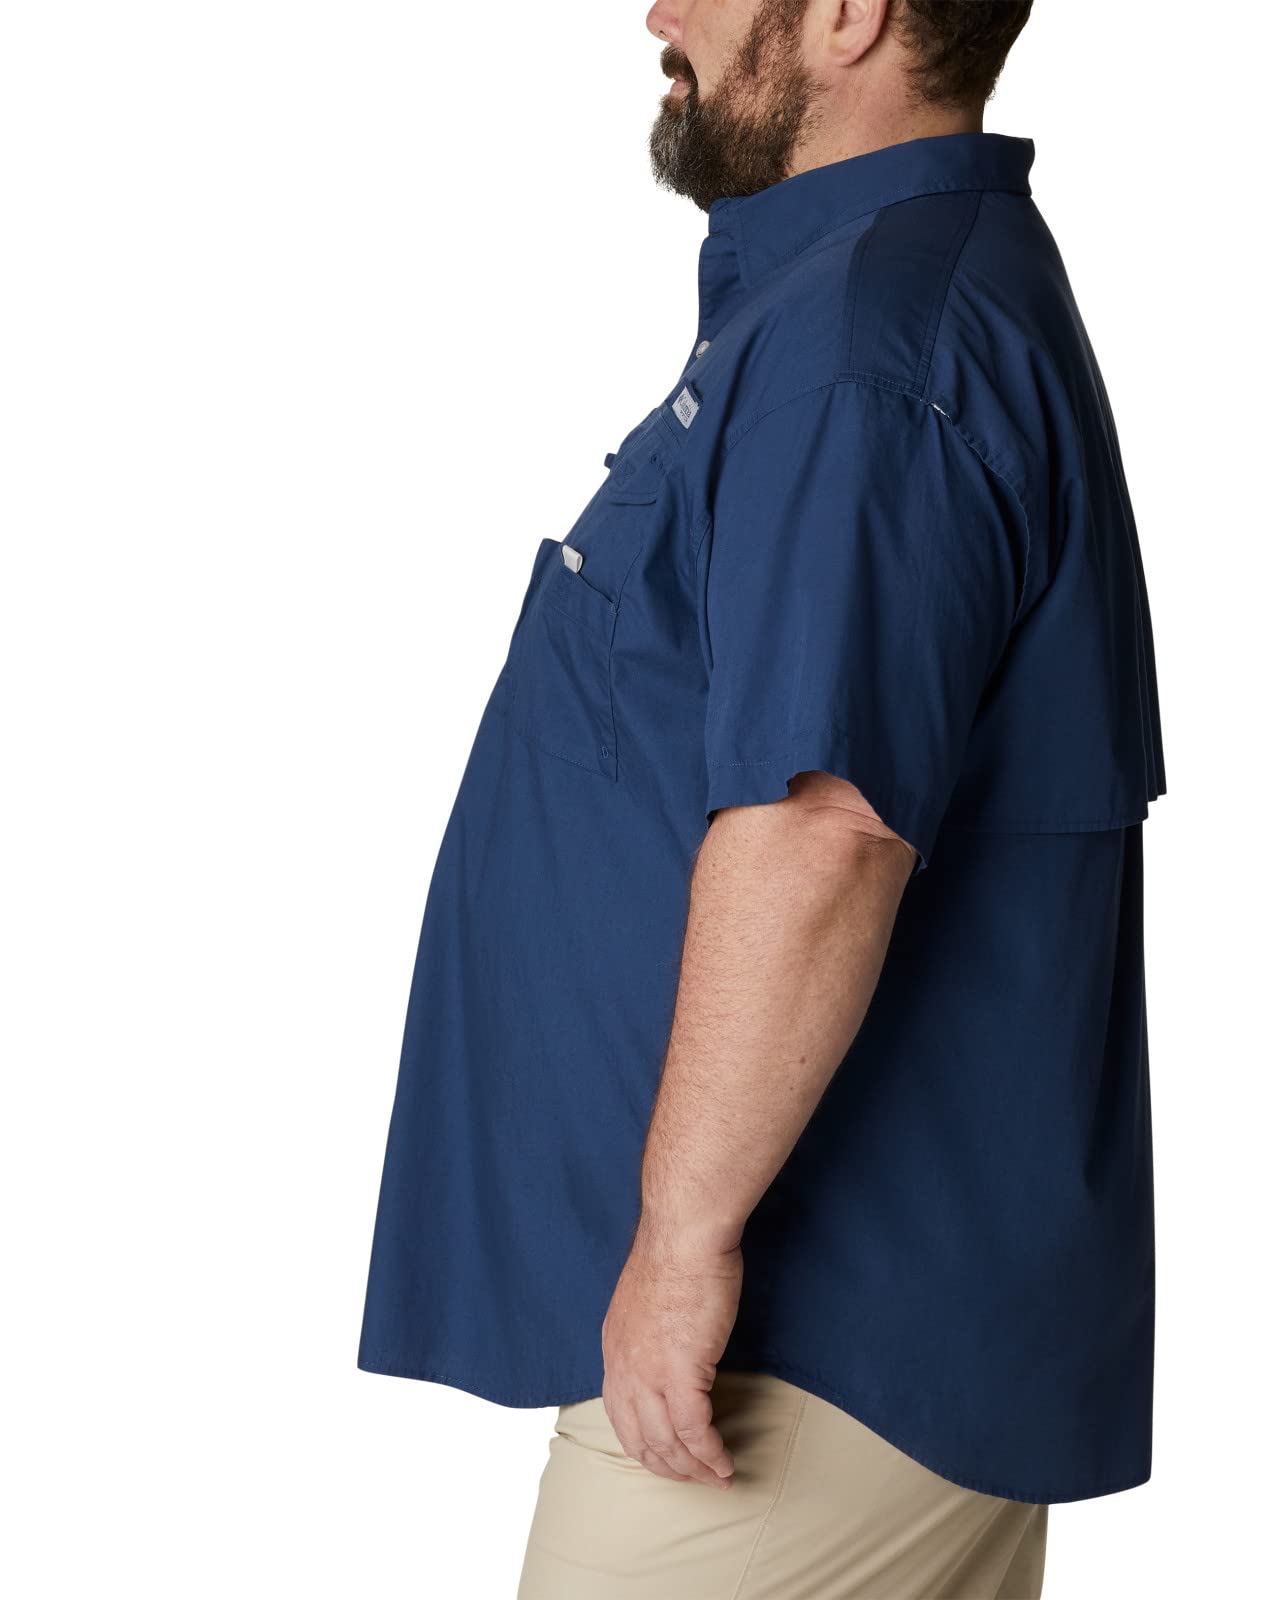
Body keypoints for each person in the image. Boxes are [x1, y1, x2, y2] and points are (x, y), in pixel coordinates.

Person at [358, 2, 1165, 1594]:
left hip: (797, 1366)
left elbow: (822, 823)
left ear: (852, 12)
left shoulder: (872, 349)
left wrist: (681, 1244)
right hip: (852, 1347)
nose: (660, 12)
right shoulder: (878, 304)